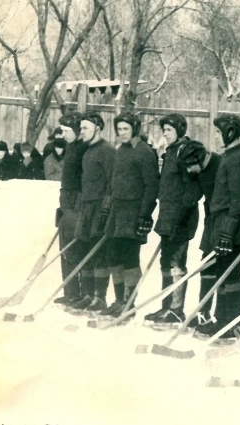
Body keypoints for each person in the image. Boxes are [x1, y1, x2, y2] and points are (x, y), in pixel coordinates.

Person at [188, 115, 240, 339]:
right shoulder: (229, 156)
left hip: (230, 227)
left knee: (231, 275)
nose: (215, 136)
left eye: (218, 132)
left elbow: (239, 199)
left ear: (230, 132)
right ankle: (221, 319)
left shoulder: (238, 159)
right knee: (223, 273)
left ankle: (229, 322)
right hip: (222, 224)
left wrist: (228, 228)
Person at [99, 112, 160, 320]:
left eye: (125, 129)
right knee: (113, 256)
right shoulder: (120, 151)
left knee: (129, 257)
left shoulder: (144, 152)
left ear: (135, 128)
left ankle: (128, 303)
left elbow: (151, 187)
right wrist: (107, 207)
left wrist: (144, 215)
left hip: (134, 211)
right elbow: (113, 183)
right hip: (117, 211)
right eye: (119, 129)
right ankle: (118, 300)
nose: (121, 133)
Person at [145, 114, 203, 326]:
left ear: (179, 130)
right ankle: (166, 307)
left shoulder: (185, 152)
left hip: (181, 217)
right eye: (164, 130)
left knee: (177, 263)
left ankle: (176, 310)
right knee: (165, 263)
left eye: (169, 130)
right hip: (167, 215)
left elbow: (193, 189)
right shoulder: (169, 152)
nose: (165, 134)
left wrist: (181, 215)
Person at [173, 140, 224, 332]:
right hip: (211, 221)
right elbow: (192, 195)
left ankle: (221, 318)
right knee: (207, 266)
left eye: (189, 165)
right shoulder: (198, 171)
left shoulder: (220, 165)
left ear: (200, 159)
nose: (188, 170)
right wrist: (177, 221)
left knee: (224, 271)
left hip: (227, 222)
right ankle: (203, 313)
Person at [69, 112, 116, 313]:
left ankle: (100, 297)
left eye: (86, 128)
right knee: (83, 250)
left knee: (99, 254)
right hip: (86, 208)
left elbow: (111, 183)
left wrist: (105, 209)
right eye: (81, 129)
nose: (82, 132)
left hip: (100, 209)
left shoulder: (107, 151)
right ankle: (88, 295)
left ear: (97, 128)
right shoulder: (87, 152)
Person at [53, 112, 88, 307]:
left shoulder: (83, 149)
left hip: (76, 204)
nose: (63, 134)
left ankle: (78, 294)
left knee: (74, 249)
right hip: (66, 203)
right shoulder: (71, 147)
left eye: (66, 131)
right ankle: (70, 291)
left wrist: (76, 205)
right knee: (65, 249)